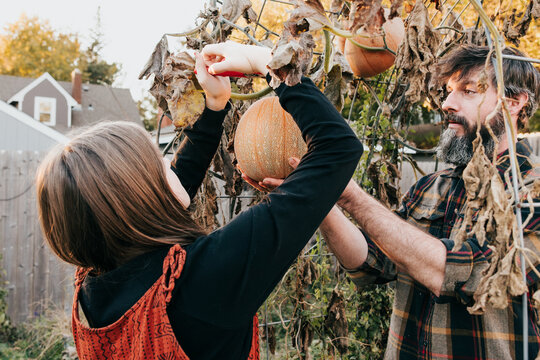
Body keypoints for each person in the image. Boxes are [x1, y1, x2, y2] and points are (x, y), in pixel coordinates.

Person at [35, 41, 363, 360]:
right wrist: (267, 63)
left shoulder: (96, 279)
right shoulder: (209, 274)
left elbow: (176, 184)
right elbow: (338, 148)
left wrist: (214, 105)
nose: (169, 162)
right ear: (140, 199)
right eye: (158, 163)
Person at [260, 45, 540, 359]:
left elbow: (467, 276)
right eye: (448, 91)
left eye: (469, 91)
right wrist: (323, 194)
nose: (447, 104)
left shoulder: (532, 191)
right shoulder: (430, 187)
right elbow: (371, 263)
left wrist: (354, 198)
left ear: (513, 103)